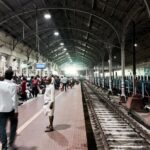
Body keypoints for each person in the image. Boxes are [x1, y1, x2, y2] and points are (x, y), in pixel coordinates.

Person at [0, 69, 18, 150]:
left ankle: (4, 145)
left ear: (5, 75)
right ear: (12, 76)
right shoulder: (14, 85)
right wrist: (16, 111)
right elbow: (14, 99)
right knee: (13, 124)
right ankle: (11, 141)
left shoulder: (0, 84)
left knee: (1, 127)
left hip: (1, 109)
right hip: (11, 109)